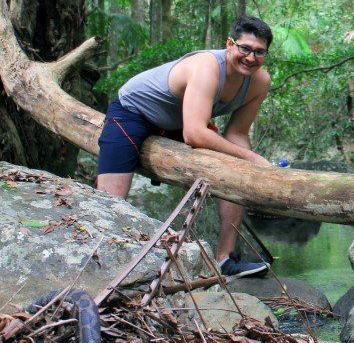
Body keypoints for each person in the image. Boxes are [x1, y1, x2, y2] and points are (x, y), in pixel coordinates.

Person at [96, 15, 274, 277]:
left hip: (178, 122)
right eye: (244, 48)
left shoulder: (259, 82)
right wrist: (254, 157)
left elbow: (236, 133)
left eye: (259, 52)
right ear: (229, 44)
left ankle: (225, 259)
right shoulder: (207, 67)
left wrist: (249, 162)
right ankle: (103, 265)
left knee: (235, 168)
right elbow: (194, 133)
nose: (250, 57)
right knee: (110, 205)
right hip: (132, 114)